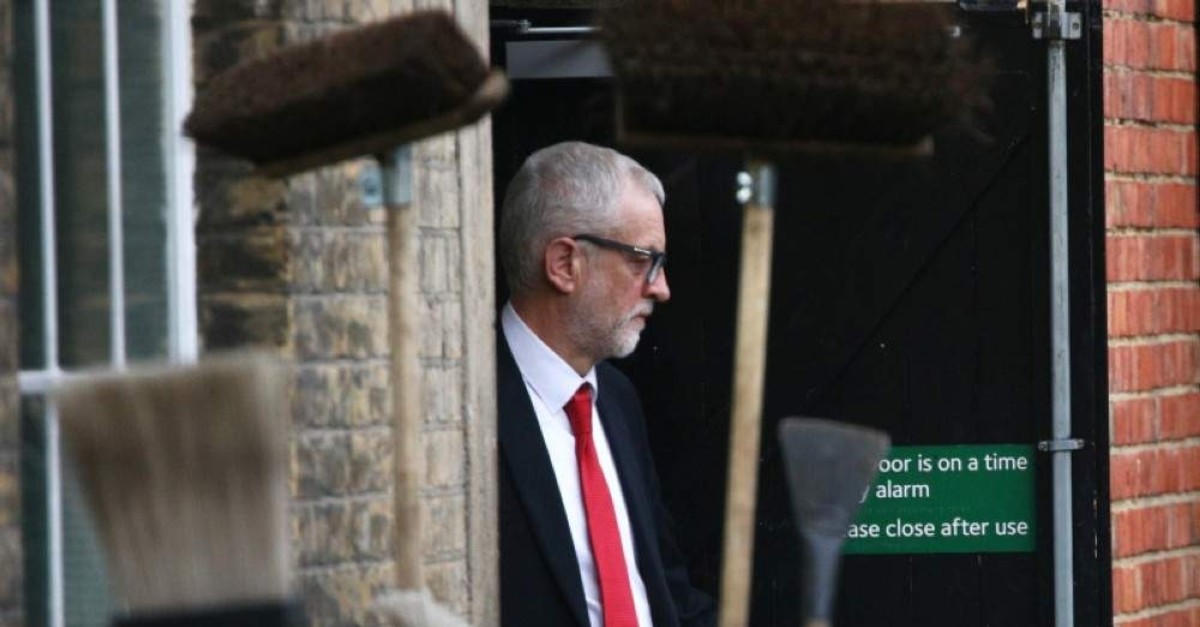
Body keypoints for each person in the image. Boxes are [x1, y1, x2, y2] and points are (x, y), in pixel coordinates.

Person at [497, 141, 715, 627]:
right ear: (564, 264)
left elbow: (670, 596)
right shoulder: (471, 406)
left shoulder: (616, 399)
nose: (661, 288)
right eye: (643, 261)